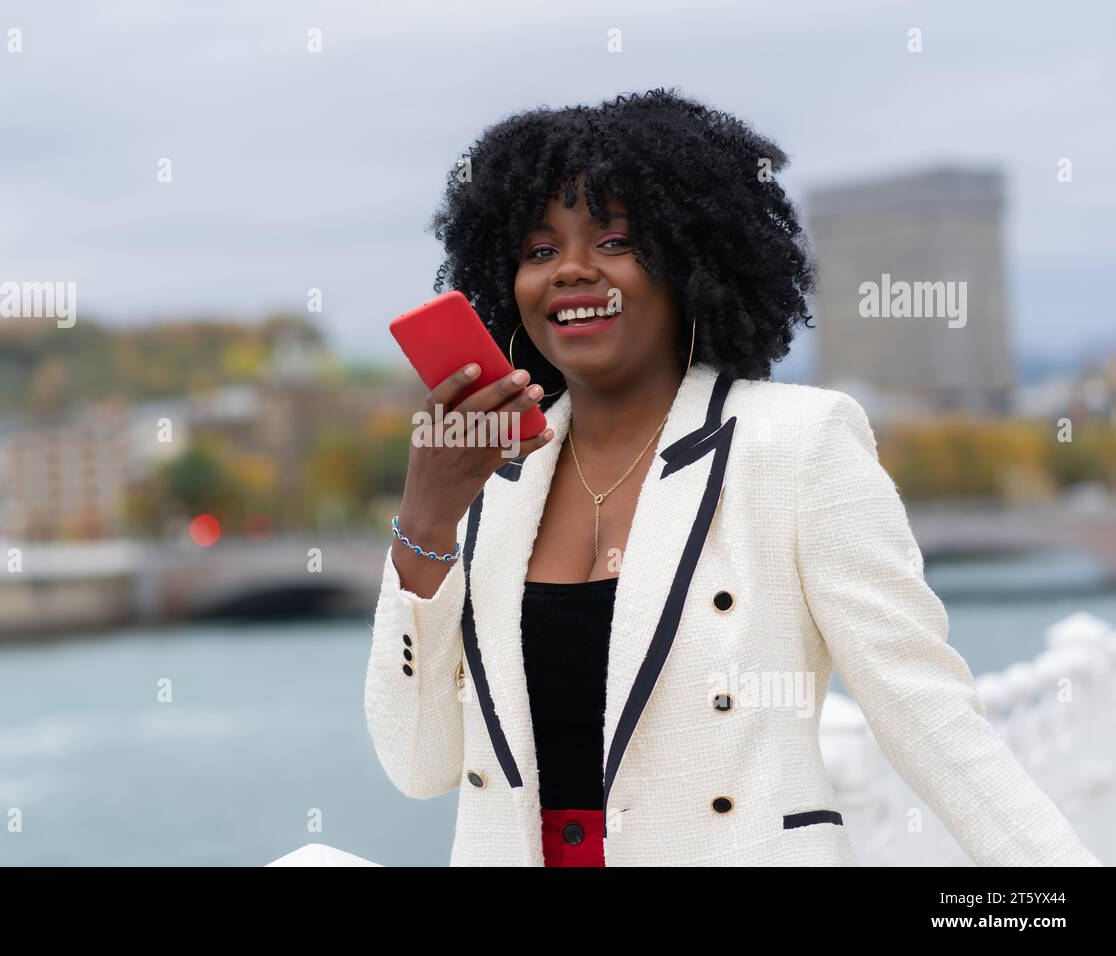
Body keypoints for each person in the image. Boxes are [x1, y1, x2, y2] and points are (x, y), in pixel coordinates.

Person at [364, 87, 1102, 867]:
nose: (572, 271)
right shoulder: (492, 480)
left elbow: (925, 712)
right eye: (539, 251)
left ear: (694, 261)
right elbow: (418, 766)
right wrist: (426, 520)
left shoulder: (797, 445)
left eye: (615, 241)